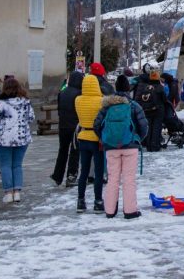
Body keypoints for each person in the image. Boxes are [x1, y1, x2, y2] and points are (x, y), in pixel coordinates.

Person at [93, 74, 148, 219]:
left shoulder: (107, 106)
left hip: (111, 147)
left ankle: (110, 210)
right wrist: (136, 139)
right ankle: (130, 211)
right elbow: (144, 126)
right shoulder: (133, 105)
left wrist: (104, 139)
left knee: (112, 178)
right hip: (130, 146)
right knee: (129, 179)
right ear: (128, 88)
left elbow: (96, 125)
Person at [0, 78, 35, 202]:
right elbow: (31, 118)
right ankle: (17, 192)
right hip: (22, 137)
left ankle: (8, 192)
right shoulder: (26, 102)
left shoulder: (0, 103)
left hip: (3, 138)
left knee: (5, 165)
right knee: (17, 165)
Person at [75, 74, 105, 213]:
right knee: (98, 172)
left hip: (83, 136)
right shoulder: (101, 101)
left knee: (84, 172)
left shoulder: (78, 100)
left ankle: (80, 201)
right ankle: (98, 201)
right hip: (97, 138)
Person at [51, 71, 82, 187]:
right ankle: (71, 175)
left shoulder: (62, 92)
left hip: (63, 126)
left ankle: (57, 175)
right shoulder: (79, 93)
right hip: (75, 126)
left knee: (62, 150)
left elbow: (59, 110)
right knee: (74, 151)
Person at [133, 67, 166, 152]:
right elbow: (164, 99)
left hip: (147, 110)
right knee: (156, 128)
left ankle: (148, 146)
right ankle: (155, 146)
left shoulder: (145, 87)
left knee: (149, 128)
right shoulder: (159, 87)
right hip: (158, 110)